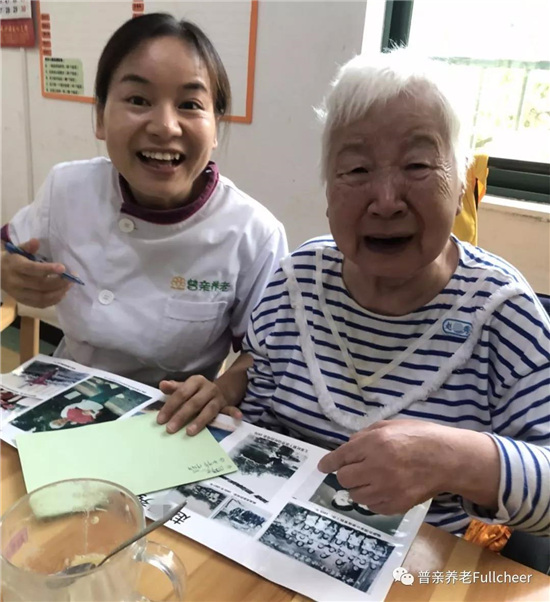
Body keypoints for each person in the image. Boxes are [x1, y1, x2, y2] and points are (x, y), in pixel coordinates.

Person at [163, 48, 549, 537]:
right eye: (357, 170)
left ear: (461, 185)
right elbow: (258, 369)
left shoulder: (503, 312)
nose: (386, 201)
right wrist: (221, 391)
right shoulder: (298, 279)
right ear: (329, 191)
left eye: (417, 165)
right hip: (266, 543)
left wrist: (454, 457)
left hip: (422, 565)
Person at [1, 14, 287, 423]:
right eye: (138, 100)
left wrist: (221, 389)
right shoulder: (67, 188)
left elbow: (263, 355)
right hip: (66, 396)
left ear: (215, 128)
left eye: (190, 105)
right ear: (100, 117)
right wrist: (7, 269)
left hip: (169, 418)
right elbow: (10, 248)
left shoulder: (254, 234)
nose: (165, 127)